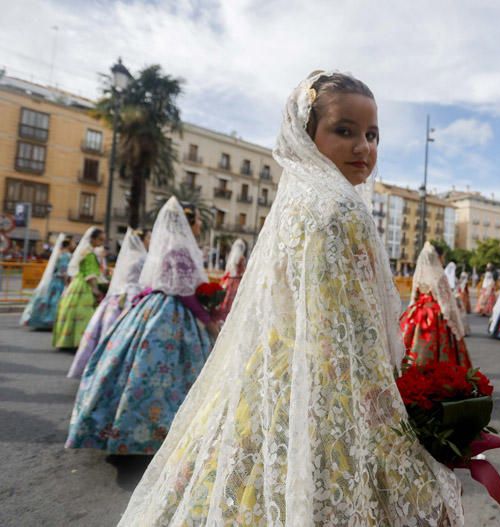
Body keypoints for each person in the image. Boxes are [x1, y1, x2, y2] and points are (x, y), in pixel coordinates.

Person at [116, 72, 464, 526]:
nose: (364, 147)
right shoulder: (340, 207)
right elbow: (354, 332)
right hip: (331, 388)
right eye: (345, 131)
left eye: (372, 134)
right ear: (306, 135)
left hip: (271, 377)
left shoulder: (298, 201)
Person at [66, 198, 217, 455]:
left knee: (131, 368)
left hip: (151, 307)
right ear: (188, 223)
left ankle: (119, 429)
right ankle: (164, 433)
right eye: (199, 221)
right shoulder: (181, 248)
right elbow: (183, 291)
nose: (201, 225)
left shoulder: (164, 247)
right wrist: (207, 319)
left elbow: (154, 282)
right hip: (173, 314)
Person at [66, 228, 149, 379]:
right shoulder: (142, 258)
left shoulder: (125, 257)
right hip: (130, 296)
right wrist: (96, 290)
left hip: (116, 296)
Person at [400, 241, 471, 368]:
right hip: (434, 313)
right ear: (437, 257)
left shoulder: (419, 274)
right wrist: (453, 320)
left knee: (410, 342)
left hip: (418, 311)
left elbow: (414, 297)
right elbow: (446, 302)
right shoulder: (439, 275)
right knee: (440, 344)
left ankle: (411, 368)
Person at [52, 227, 106, 349]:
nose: (101, 242)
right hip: (84, 286)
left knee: (72, 313)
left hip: (76, 283)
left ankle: (68, 340)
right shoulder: (90, 253)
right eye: (100, 239)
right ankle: (82, 342)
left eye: (103, 239)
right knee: (85, 315)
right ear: (92, 239)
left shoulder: (84, 251)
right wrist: (95, 289)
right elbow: (90, 272)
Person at [20, 234, 73, 330]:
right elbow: (63, 270)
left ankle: (43, 319)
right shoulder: (67, 255)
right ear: (68, 244)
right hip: (60, 281)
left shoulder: (58, 254)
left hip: (54, 280)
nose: (74, 244)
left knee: (50, 299)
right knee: (57, 300)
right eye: (72, 242)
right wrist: (67, 283)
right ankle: (52, 321)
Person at [217, 238, 247, 322]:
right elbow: (242, 271)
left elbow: (228, 270)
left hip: (230, 281)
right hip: (237, 281)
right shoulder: (241, 258)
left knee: (227, 299)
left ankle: (224, 317)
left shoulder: (231, 258)